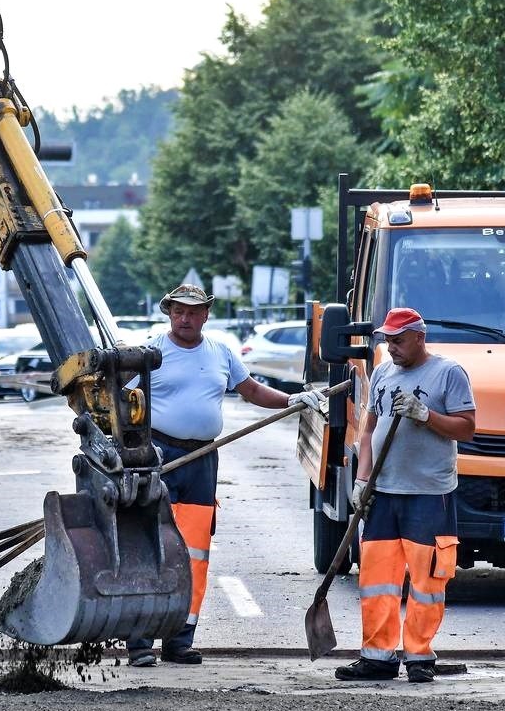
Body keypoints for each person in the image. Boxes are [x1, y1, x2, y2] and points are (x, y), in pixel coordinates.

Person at [128, 284, 325, 668]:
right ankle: (139, 641)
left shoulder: (220, 352)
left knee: (194, 552)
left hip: (202, 459)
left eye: (193, 312)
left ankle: (179, 639)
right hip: (158, 454)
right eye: (179, 312)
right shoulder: (150, 353)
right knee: (150, 548)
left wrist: (291, 400)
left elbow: (250, 390)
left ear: (206, 315)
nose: (185, 319)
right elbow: (123, 400)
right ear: (169, 313)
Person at [336, 307, 476, 684]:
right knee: (377, 579)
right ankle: (377, 657)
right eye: (387, 340)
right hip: (383, 493)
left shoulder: (448, 373)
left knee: (428, 581)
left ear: (420, 337)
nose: (391, 347)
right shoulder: (382, 372)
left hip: (428, 494)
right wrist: (362, 480)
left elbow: (467, 429)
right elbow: (368, 431)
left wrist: (425, 414)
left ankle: (419, 656)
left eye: (398, 340)